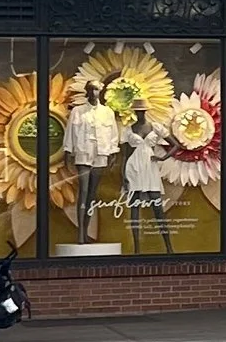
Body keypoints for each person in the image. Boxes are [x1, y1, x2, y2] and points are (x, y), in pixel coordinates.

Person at [65, 78, 120, 244]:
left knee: (92, 194)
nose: (94, 93)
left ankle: (86, 230)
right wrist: (68, 151)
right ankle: (80, 233)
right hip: (83, 152)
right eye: (91, 89)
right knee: (83, 191)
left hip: (100, 153)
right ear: (86, 91)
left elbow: (113, 135)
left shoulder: (107, 112)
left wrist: (112, 152)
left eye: (96, 89)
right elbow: (70, 132)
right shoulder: (78, 111)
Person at [121, 104, 174, 253]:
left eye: (141, 111)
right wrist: (124, 177)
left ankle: (169, 247)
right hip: (134, 167)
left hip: (150, 167)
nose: (139, 113)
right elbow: (125, 155)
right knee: (134, 207)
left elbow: (175, 145)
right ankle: (137, 249)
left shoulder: (155, 127)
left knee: (157, 207)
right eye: (137, 111)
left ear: (145, 111)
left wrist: (163, 157)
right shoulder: (129, 130)